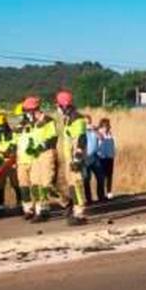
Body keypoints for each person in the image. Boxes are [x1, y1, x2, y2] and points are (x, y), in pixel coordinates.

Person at [55, 90, 89, 225]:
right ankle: (75, 210)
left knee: (77, 185)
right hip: (69, 158)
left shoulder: (77, 119)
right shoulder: (68, 119)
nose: (57, 108)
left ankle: (79, 214)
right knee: (72, 186)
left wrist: (77, 159)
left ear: (63, 105)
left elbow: (81, 139)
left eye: (58, 105)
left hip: (75, 159)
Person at [23, 97, 59, 221]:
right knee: (35, 184)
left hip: (46, 154)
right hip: (35, 156)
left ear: (34, 110)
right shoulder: (32, 124)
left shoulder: (48, 121)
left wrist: (41, 145)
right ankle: (40, 210)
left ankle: (66, 203)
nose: (26, 114)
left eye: (27, 111)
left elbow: (53, 138)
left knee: (47, 185)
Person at [0, 111, 23, 213]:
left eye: (0, 126)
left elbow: (17, 145)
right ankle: (0, 205)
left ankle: (20, 202)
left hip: (12, 161)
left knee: (16, 183)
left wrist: (12, 155)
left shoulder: (13, 134)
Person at [13, 103, 36, 220]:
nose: (19, 119)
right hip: (21, 161)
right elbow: (15, 143)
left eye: (20, 116)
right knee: (23, 186)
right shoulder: (17, 129)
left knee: (37, 185)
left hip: (34, 160)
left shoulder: (34, 125)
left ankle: (40, 208)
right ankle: (28, 209)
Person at [94, 118, 116, 200]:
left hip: (110, 157)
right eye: (106, 125)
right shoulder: (98, 133)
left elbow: (112, 145)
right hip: (101, 157)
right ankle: (101, 195)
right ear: (102, 126)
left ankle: (109, 192)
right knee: (101, 177)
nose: (107, 127)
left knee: (109, 175)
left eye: (108, 125)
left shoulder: (110, 134)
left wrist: (113, 154)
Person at [81, 113, 99, 203]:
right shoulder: (81, 131)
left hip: (95, 156)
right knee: (86, 178)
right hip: (85, 157)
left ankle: (101, 196)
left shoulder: (94, 131)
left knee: (100, 177)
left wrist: (95, 130)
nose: (88, 124)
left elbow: (101, 138)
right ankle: (89, 199)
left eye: (89, 122)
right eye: (86, 123)